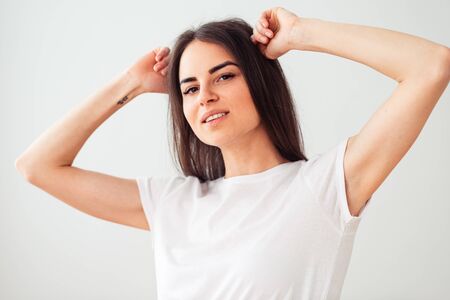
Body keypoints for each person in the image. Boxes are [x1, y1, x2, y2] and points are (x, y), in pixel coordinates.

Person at [15, 6, 449, 300]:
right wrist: (128, 84)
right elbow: (36, 166)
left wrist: (301, 33)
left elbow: (431, 66)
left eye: (223, 77)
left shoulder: (326, 187)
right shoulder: (174, 205)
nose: (204, 96)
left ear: (259, 83)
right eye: (189, 88)